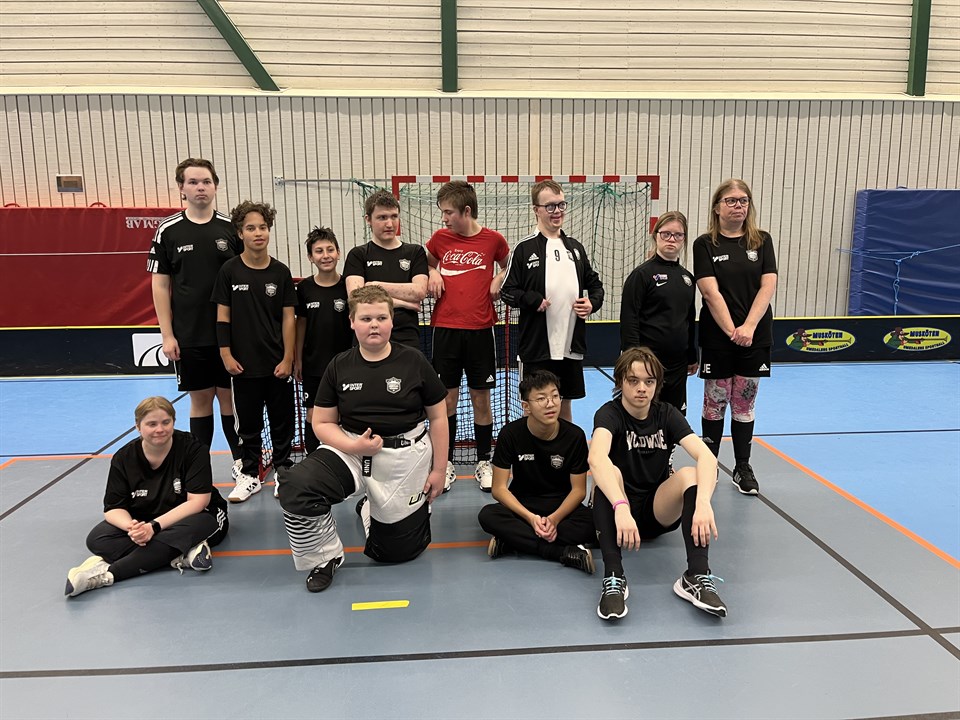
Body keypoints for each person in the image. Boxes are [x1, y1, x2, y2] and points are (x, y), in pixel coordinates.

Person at [277, 285, 448, 593]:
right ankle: (325, 557)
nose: (374, 325)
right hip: (352, 449)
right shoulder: (339, 365)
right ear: (352, 322)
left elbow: (438, 417)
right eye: (366, 318)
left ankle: (373, 508)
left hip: (405, 456)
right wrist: (353, 446)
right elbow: (322, 422)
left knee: (395, 553)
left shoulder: (414, 361)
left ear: (392, 321)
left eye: (381, 318)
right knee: (297, 487)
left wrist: (438, 469)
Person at [589, 347, 726, 621]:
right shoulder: (609, 414)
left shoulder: (666, 414)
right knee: (607, 472)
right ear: (621, 382)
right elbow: (596, 457)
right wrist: (620, 506)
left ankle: (696, 575)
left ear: (657, 384)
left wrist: (703, 503)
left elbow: (707, 457)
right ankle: (614, 577)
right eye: (633, 381)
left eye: (649, 381)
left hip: (656, 511)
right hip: (619, 513)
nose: (642, 388)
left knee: (690, 474)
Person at [65, 396, 229, 597]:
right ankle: (180, 553)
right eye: (152, 424)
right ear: (138, 427)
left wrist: (153, 528)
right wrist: (133, 529)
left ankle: (107, 574)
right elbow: (113, 508)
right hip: (146, 520)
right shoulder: (124, 457)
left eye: (166, 422)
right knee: (98, 538)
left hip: (194, 516)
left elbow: (198, 501)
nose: (160, 429)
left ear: (174, 422)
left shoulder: (193, 449)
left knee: (203, 524)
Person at [148, 158, 242, 473]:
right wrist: (167, 334)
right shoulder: (168, 230)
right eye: (193, 182)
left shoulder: (230, 228)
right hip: (189, 335)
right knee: (200, 401)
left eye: (206, 182)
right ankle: (198, 469)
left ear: (216, 186)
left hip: (230, 334)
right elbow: (160, 285)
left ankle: (242, 466)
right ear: (182, 188)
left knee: (230, 401)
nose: (200, 188)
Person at [693, 179, 778, 495]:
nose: (738, 206)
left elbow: (768, 286)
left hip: (755, 337)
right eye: (730, 200)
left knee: (743, 403)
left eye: (743, 200)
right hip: (718, 339)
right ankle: (709, 465)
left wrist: (749, 328)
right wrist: (732, 331)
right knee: (715, 402)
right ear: (717, 207)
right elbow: (709, 291)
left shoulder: (762, 241)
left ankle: (743, 467)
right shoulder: (705, 244)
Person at [426, 181, 510, 492]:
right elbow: (425, 263)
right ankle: (444, 462)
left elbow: (510, 265)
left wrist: (500, 277)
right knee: (447, 399)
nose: (444, 218)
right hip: (446, 330)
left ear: (466, 211)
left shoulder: (493, 240)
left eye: (449, 212)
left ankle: (484, 460)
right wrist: (433, 271)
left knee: (480, 399)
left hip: (481, 331)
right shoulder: (439, 239)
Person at [211, 201, 297, 502]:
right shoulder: (229, 271)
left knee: (282, 422)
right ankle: (249, 474)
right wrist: (225, 354)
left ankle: (284, 471)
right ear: (240, 233)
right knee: (248, 425)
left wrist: (288, 358)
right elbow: (222, 317)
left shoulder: (281, 272)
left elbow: (289, 319)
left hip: (277, 365)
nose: (258, 233)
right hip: (243, 366)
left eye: (262, 227)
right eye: (250, 228)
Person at [501, 180, 604, 422]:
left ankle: (566, 446)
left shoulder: (575, 248)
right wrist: (531, 299)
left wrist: (592, 303)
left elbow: (596, 286)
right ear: (536, 209)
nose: (557, 211)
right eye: (550, 206)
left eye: (561, 205)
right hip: (537, 348)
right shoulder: (524, 249)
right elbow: (507, 291)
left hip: (570, 346)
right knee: (535, 405)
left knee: (564, 404)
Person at [478, 369, 595, 573]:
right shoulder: (510, 434)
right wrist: (531, 519)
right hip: (523, 507)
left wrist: (554, 519)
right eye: (541, 399)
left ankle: (513, 541)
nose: (551, 404)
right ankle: (559, 551)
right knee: (488, 515)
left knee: (596, 522)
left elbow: (578, 491)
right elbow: (499, 489)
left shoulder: (575, 436)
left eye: (555, 396)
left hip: (562, 509)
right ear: (526, 407)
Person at [620, 211, 698, 414]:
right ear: (656, 236)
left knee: (674, 417)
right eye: (666, 234)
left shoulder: (687, 278)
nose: (672, 239)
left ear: (684, 239)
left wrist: (692, 356)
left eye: (678, 235)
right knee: (645, 415)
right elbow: (629, 318)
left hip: (678, 364)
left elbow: (689, 319)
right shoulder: (642, 275)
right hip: (648, 364)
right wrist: (632, 358)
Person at [343, 189, 429, 350]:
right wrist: (406, 303)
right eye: (382, 217)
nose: (389, 224)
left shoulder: (415, 252)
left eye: (394, 216)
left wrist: (374, 285)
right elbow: (356, 298)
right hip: (369, 339)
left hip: (407, 337)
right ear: (368, 219)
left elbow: (419, 292)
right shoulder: (358, 254)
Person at [295, 226, 353, 454]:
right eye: (319, 251)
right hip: (314, 365)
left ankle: (344, 459)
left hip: (345, 365)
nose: (325, 255)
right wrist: (298, 359)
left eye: (330, 250)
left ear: (338, 253)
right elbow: (300, 324)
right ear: (310, 257)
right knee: (314, 414)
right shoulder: (305, 288)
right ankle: (313, 460)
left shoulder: (349, 286)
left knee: (344, 414)